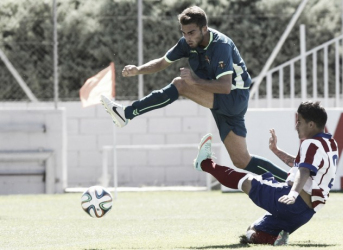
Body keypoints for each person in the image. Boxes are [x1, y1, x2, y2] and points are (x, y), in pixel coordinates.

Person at [101, 5, 287, 181]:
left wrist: (194, 81)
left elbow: (225, 86)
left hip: (234, 97)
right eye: (184, 33)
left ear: (204, 28)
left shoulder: (221, 45)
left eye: (191, 32)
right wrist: (138, 70)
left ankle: (126, 114)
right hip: (221, 99)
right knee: (241, 160)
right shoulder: (186, 43)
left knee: (181, 85)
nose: (187, 37)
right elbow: (162, 62)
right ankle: (293, 181)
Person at [193, 101, 339, 246]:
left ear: (311, 124)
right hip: (304, 214)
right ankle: (275, 241)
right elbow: (303, 164)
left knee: (245, 180)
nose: (296, 126)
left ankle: (205, 163)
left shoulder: (310, 143)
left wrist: (292, 194)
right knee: (252, 232)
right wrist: (276, 151)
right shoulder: (331, 144)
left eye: (299, 122)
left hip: (290, 201)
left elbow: (304, 170)